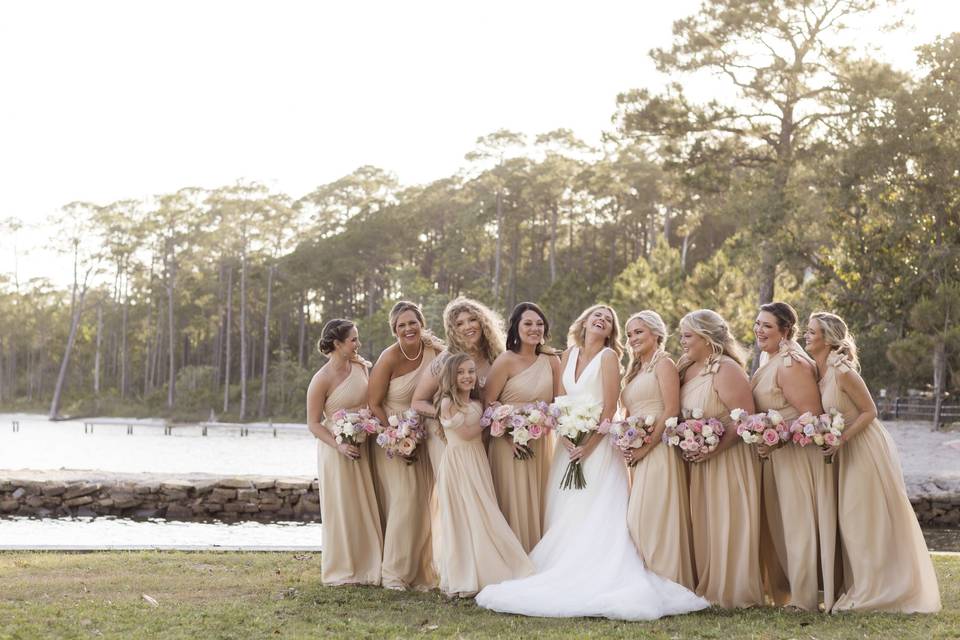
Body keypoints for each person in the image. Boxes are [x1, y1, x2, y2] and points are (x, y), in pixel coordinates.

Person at [475, 305, 709, 620]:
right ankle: (562, 566)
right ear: (583, 322)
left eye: (608, 319)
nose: (601, 319)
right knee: (566, 509)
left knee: (597, 511)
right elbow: (559, 403)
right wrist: (566, 436)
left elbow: (610, 408)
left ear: (610, 331)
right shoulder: (565, 356)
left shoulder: (609, 358)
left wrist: (588, 446)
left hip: (598, 450)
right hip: (566, 448)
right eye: (596, 315)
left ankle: (598, 571)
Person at [806, 312, 941, 613]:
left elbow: (870, 411)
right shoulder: (822, 371)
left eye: (812, 331)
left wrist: (841, 439)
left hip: (863, 447)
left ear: (828, 338)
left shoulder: (843, 371)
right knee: (852, 520)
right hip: (846, 448)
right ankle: (861, 585)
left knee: (861, 518)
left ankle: (876, 591)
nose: (806, 335)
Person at [752, 302, 835, 611]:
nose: (759, 330)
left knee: (798, 523)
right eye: (757, 324)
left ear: (785, 331)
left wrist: (777, 437)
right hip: (775, 455)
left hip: (796, 455)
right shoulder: (769, 358)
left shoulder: (791, 363)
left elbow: (811, 413)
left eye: (767, 326)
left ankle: (804, 598)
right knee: (781, 525)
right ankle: (783, 591)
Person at [679, 309, 764, 608]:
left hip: (728, 458)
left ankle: (732, 589)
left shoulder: (727, 369)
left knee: (727, 519)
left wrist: (713, 448)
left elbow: (744, 419)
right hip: (698, 461)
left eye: (687, 335)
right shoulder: (686, 367)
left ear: (706, 338)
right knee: (703, 522)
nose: (682, 341)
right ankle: (704, 583)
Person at [434, 353, 535, 597]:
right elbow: (468, 433)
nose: (468, 376)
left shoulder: (477, 403)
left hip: (477, 460)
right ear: (451, 377)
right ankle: (465, 575)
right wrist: (493, 417)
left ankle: (488, 568)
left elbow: (484, 433)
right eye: (461, 372)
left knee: (483, 511)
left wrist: (502, 425)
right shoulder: (448, 403)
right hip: (458, 463)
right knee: (463, 515)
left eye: (471, 371)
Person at [367, 301, 444, 590]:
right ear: (394, 330)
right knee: (404, 502)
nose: (408, 328)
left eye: (412, 322)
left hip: (428, 436)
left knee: (425, 504)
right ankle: (394, 574)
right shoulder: (388, 358)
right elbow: (373, 403)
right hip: (394, 439)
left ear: (421, 323)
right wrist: (394, 436)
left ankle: (421, 571)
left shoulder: (436, 352)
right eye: (402, 325)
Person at [621, 310, 696, 590]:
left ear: (656, 334)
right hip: (638, 451)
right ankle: (644, 579)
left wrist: (645, 447)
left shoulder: (664, 363)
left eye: (638, 332)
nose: (633, 339)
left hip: (659, 449)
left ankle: (665, 581)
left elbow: (671, 409)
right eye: (629, 334)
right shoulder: (637, 369)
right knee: (638, 517)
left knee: (650, 515)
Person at [305, 319, 382, 586]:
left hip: (364, 444)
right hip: (336, 450)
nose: (358, 344)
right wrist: (339, 445)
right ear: (337, 344)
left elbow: (371, 403)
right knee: (343, 507)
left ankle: (370, 565)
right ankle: (344, 569)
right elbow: (314, 423)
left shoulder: (362, 367)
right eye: (353, 340)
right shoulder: (321, 379)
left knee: (366, 503)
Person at [482, 302, 560, 552]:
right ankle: (512, 556)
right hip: (508, 444)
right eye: (528, 323)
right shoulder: (506, 361)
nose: (534, 329)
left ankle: (539, 556)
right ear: (516, 328)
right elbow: (489, 405)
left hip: (541, 441)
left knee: (539, 498)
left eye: (539, 324)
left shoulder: (551, 360)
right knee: (513, 500)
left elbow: (559, 404)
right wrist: (510, 437)